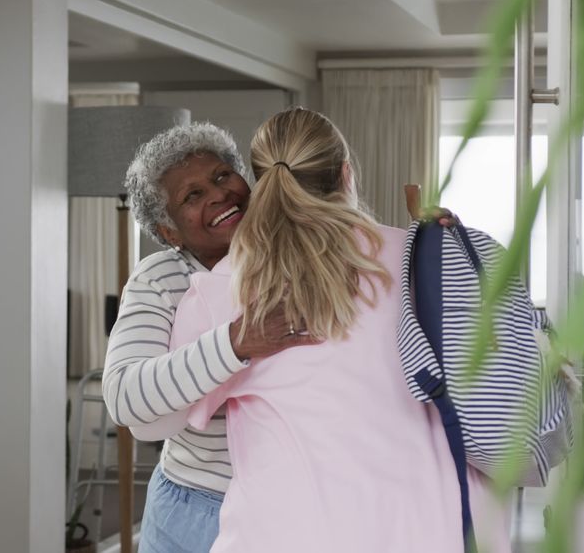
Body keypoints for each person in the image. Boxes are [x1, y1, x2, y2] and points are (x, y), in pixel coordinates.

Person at [169, 108, 510, 552]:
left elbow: (167, 414)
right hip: (439, 532)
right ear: (346, 175)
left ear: (263, 187)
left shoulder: (221, 288)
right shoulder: (428, 257)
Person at [103, 123, 317, 553]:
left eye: (222, 176)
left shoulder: (303, 254)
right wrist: (237, 344)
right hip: (194, 505)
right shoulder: (163, 278)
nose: (219, 194)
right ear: (169, 233)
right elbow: (125, 396)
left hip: (290, 504)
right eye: (192, 196)